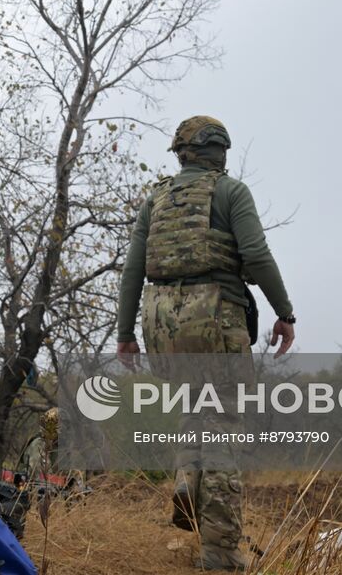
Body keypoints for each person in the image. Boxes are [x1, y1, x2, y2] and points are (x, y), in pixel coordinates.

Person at [115, 116, 296, 572]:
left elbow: (133, 270)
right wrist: (285, 312)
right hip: (216, 319)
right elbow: (255, 254)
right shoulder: (231, 192)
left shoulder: (156, 198)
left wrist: (125, 336)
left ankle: (185, 476)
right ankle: (220, 552)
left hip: (163, 326)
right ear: (218, 151)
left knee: (196, 408)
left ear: (182, 153)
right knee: (224, 430)